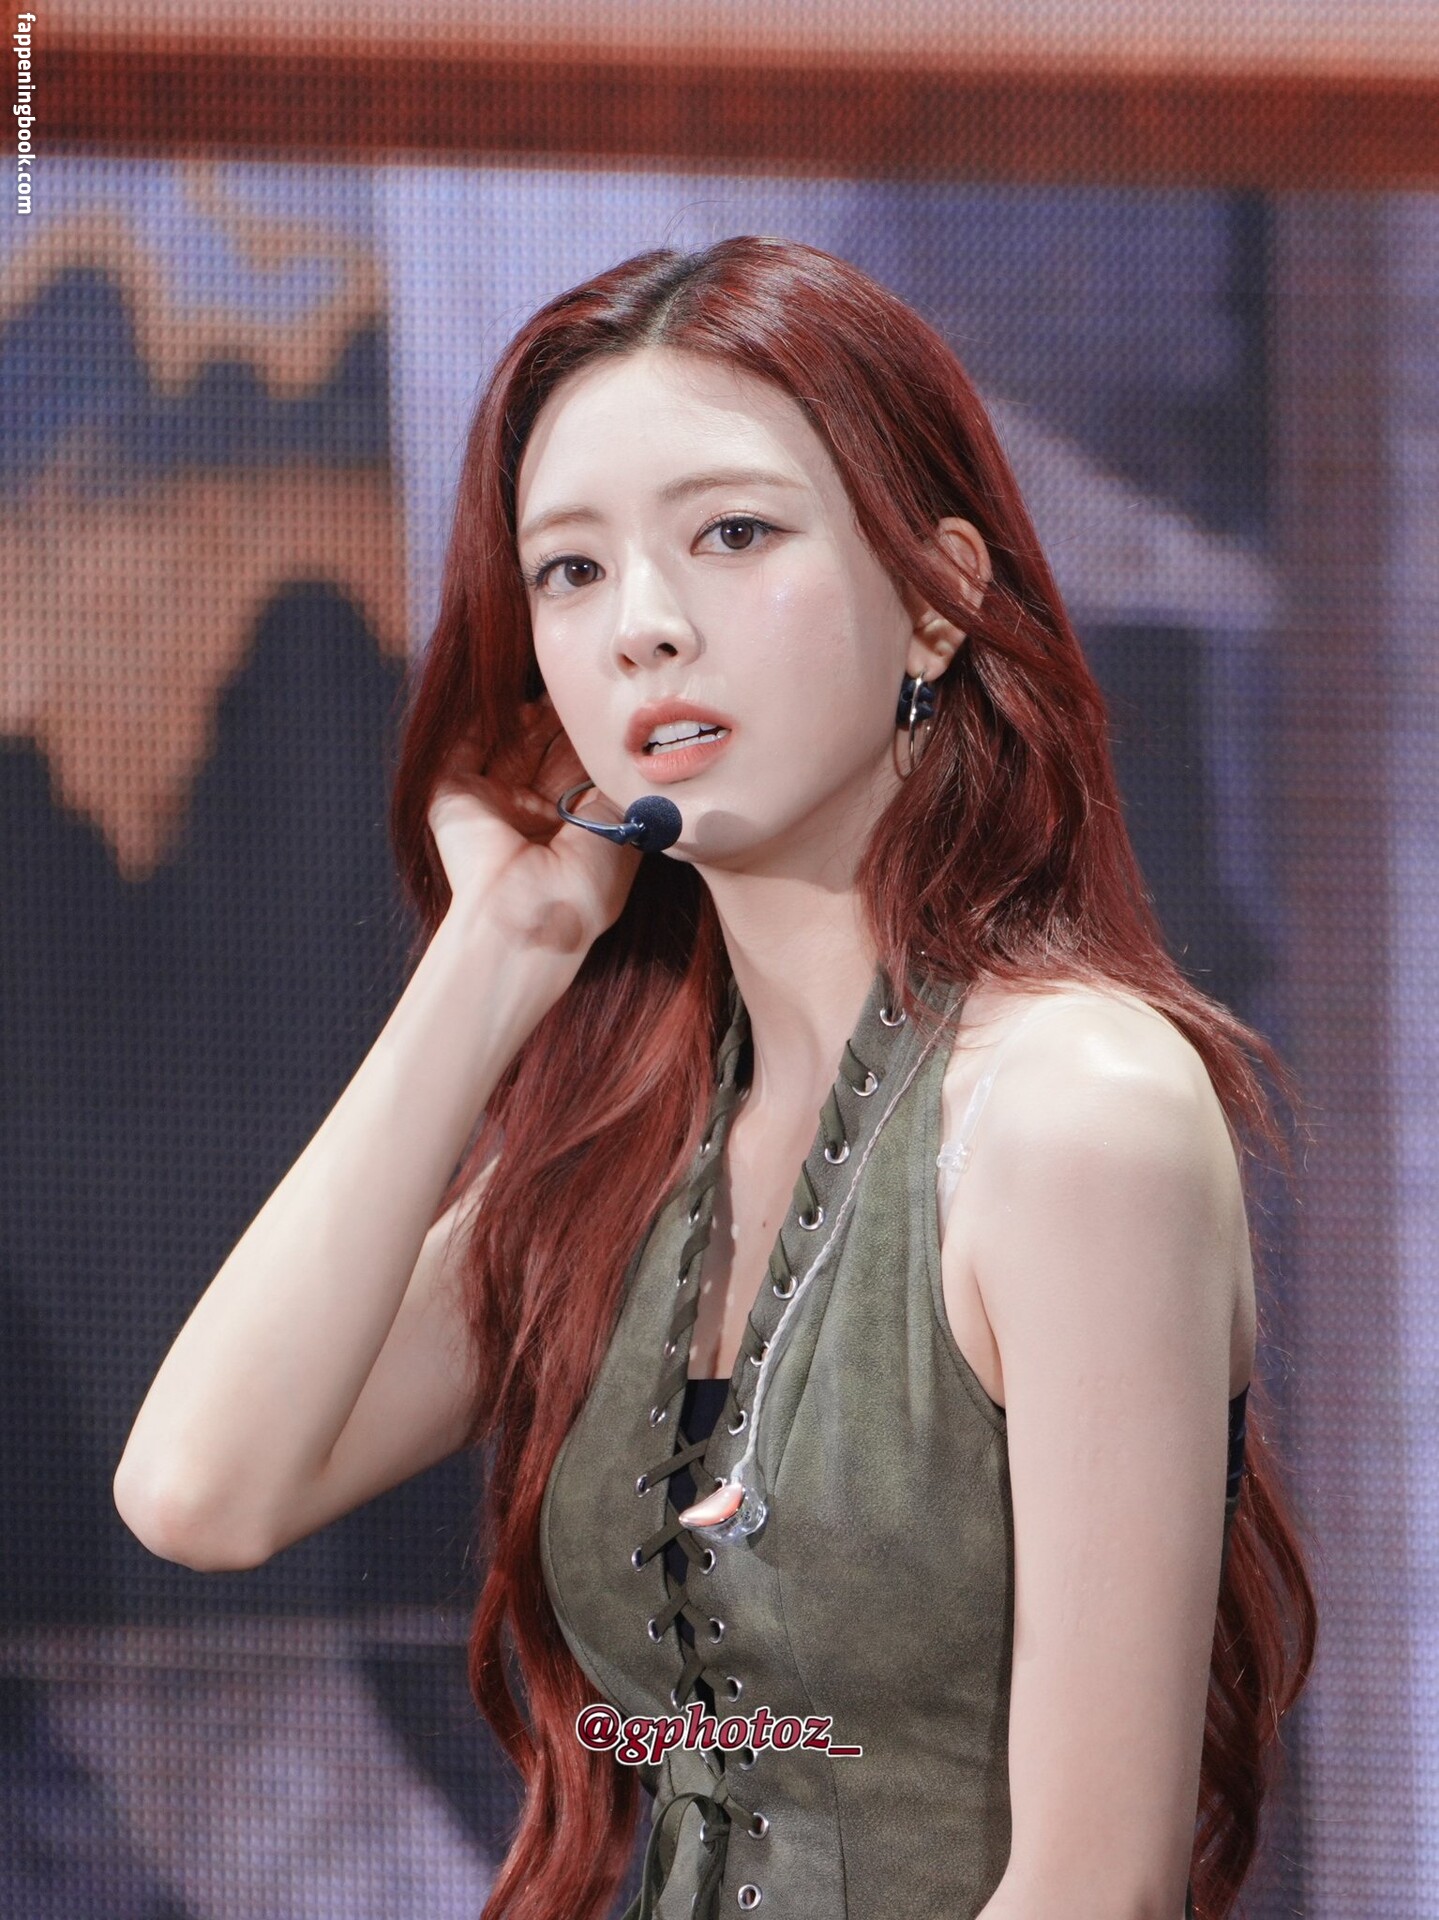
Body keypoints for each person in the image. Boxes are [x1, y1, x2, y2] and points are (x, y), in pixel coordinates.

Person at [115, 236, 1316, 1920]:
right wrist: (500, 953)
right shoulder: (633, 1152)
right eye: (571, 570)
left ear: (936, 598)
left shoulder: (1077, 1110)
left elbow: (1092, 1885)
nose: (646, 629)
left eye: (732, 534)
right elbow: (201, 1490)